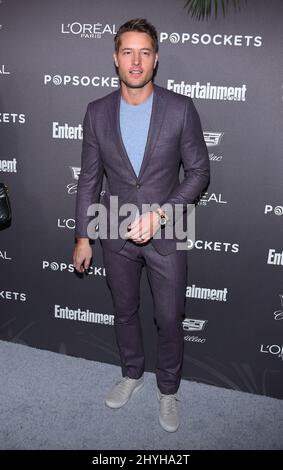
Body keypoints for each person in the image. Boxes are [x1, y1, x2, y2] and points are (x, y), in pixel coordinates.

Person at [73, 18, 210, 433]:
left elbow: (200, 172)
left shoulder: (180, 108)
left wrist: (162, 213)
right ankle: (132, 373)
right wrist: (83, 235)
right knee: (124, 310)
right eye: (128, 52)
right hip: (114, 229)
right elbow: (89, 179)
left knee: (170, 318)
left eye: (144, 52)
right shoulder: (96, 112)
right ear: (115, 59)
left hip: (168, 229)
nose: (136, 61)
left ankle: (168, 390)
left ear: (155, 59)